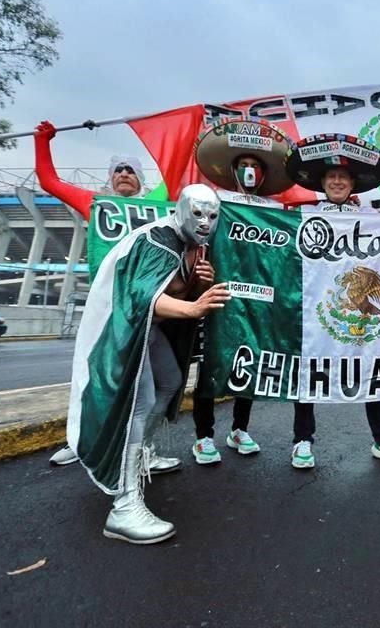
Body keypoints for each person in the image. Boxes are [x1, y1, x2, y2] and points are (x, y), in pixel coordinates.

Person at [67, 184, 229, 544]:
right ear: (182, 210)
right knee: (137, 405)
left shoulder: (189, 246)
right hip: (121, 330)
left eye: (212, 216)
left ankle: (142, 456)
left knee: (170, 383)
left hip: (146, 330)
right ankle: (123, 506)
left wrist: (194, 288)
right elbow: (143, 297)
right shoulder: (158, 239)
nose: (205, 222)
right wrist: (193, 307)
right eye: (199, 214)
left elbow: (168, 293)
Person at [34, 120, 181, 473]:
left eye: (131, 169)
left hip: (146, 313)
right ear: (110, 178)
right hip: (110, 314)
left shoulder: (156, 203)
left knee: (170, 382)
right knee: (101, 385)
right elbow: (49, 182)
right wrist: (43, 141)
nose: (125, 173)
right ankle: (86, 444)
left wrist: (188, 129)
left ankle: (143, 448)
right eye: (118, 169)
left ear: (140, 179)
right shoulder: (94, 203)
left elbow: (175, 163)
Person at [282, 133, 380, 469]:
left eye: (343, 177)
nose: (337, 181)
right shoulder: (304, 216)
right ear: (321, 183)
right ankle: (302, 441)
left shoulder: (372, 219)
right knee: (308, 370)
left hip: (362, 310)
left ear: (352, 183)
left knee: (373, 362)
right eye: (331, 177)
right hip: (316, 309)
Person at [189, 118, 296, 463]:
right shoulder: (216, 203)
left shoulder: (276, 211)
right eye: (244, 165)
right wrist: (200, 269)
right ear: (234, 171)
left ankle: (239, 429)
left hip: (259, 303)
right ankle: (204, 436)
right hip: (218, 299)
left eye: (255, 166)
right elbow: (194, 239)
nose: (249, 171)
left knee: (248, 364)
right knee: (210, 366)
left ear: (263, 175)